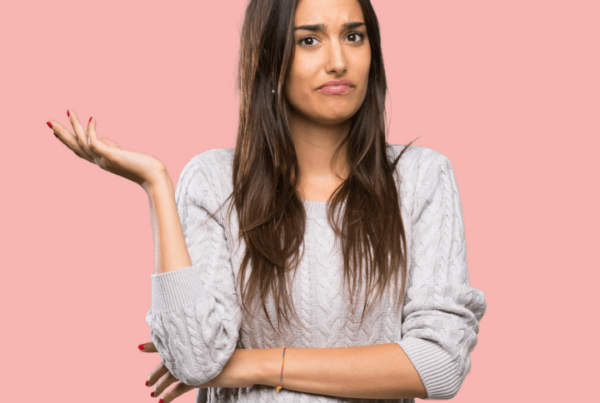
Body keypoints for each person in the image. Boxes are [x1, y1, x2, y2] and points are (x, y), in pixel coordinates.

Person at [46, 0, 487, 402]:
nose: (338, 61)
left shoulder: (420, 178)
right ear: (270, 56)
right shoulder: (214, 182)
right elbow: (197, 362)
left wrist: (248, 365)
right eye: (309, 40)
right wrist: (156, 183)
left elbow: (439, 363)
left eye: (354, 36)